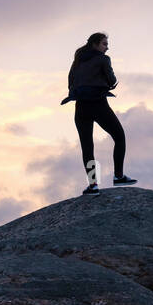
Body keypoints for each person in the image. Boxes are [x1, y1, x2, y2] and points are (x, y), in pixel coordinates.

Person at [60, 32, 137, 194]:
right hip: (98, 104)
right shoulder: (103, 59)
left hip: (81, 107)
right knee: (119, 137)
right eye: (104, 44)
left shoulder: (78, 60)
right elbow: (111, 80)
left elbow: (70, 81)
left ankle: (93, 185)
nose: (107, 47)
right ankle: (118, 176)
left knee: (87, 147)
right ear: (95, 44)